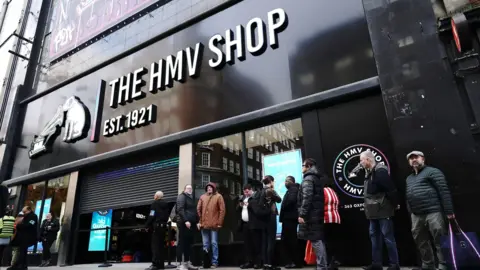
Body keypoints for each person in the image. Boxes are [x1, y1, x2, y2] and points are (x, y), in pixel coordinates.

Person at [405, 151, 454, 270]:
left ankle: (444, 264)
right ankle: (428, 265)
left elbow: (443, 191)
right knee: (421, 241)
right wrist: (411, 211)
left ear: (423, 158)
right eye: (411, 159)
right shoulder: (409, 178)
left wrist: (449, 211)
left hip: (433, 211)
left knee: (440, 239)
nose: (414, 160)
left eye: (416, 157)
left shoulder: (433, 172)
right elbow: (408, 196)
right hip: (416, 215)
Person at [360, 150, 400, 270]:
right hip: (372, 212)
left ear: (368, 159)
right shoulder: (369, 173)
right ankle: (376, 264)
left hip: (383, 210)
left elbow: (391, 190)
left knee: (388, 238)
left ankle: (394, 265)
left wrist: (395, 203)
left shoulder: (380, 171)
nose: (360, 163)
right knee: (374, 238)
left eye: (361, 160)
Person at [297, 158, 328, 270]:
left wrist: (302, 214)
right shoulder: (316, 178)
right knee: (318, 239)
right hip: (317, 214)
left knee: (316, 240)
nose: (302, 168)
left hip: (311, 215)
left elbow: (307, 198)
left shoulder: (308, 179)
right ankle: (322, 266)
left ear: (308, 166)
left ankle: (321, 267)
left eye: (303, 165)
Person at [197, 182, 226, 268]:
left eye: (210, 187)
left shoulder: (218, 196)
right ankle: (206, 262)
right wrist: (200, 220)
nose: (209, 188)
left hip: (214, 224)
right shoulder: (202, 197)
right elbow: (198, 209)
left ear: (214, 188)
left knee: (214, 243)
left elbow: (222, 210)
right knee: (205, 244)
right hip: (204, 224)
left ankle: (214, 262)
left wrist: (219, 223)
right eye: (207, 187)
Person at [280, 176, 301, 269]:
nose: (285, 183)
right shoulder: (291, 190)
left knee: (290, 240)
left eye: (287, 181)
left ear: (292, 181)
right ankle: (293, 262)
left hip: (290, 218)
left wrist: (283, 207)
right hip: (289, 218)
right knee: (289, 240)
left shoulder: (293, 189)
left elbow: (291, 201)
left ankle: (294, 262)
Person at [261, 176, 282, 270]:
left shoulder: (261, 191)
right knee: (271, 241)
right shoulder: (270, 190)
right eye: (273, 181)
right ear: (270, 181)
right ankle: (270, 264)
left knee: (264, 241)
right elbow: (279, 199)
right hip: (271, 216)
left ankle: (265, 264)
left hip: (263, 217)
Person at [146, 191, 170, 270]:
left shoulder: (154, 204)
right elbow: (167, 216)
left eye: (154, 195)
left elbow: (151, 215)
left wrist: (146, 225)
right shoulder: (166, 204)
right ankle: (161, 265)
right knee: (161, 246)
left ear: (156, 196)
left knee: (155, 246)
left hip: (156, 227)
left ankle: (155, 264)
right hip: (163, 227)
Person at [9, 206, 38, 270]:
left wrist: (19, 225)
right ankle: (22, 265)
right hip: (23, 237)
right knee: (22, 251)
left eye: (24, 210)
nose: (23, 211)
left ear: (28, 210)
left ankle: (21, 265)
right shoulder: (25, 216)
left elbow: (30, 225)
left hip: (28, 237)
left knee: (23, 251)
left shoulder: (33, 216)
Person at [176, 185, 198, 270]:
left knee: (189, 244)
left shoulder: (191, 198)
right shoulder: (182, 197)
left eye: (191, 188)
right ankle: (181, 264)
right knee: (183, 243)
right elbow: (180, 209)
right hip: (184, 223)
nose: (190, 189)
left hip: (191, 224)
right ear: (184, 189)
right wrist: (186, 221)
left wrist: (197, 222)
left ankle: (187, 263)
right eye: (188, 188)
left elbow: (194, 211)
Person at [238, 184, 259, 269]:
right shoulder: (243, 198)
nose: (246, 193)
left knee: (255, 244)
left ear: (251, 190)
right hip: (245, 224)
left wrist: (249, 204)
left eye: (247, 191)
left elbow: (257, 210)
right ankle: (249, 261)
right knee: (247, 244)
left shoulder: (255, 198)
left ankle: (257, 262)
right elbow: (238, 209)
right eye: (244, 191)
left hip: (253, 224)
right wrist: (240, 205)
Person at [323, 180, 341, 270]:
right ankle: (334, 261)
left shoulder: (322, 191)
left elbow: (320, 205)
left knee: (327, 242)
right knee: (334, 241)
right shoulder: (334, 192)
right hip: (336, 218)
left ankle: (328, 263)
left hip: (326, 219)